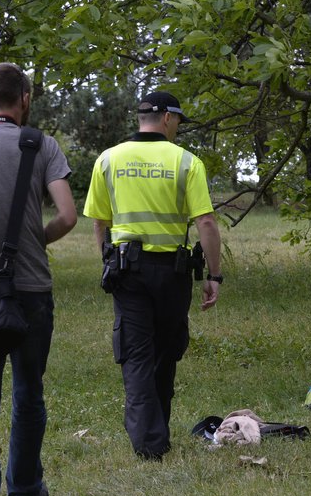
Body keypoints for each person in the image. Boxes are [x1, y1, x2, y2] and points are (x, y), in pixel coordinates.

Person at [0, 63, 77, 496]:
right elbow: (69, 216)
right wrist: (36, 240)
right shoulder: (41, 144)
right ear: (26, 100)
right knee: (28, 393)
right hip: (30, 290)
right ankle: (28, 490)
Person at [83, 91, 223, 461]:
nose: (178, 128)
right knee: (165, 352)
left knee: (137, 354)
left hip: (127, 272)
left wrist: (107, 261)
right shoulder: (185, 162)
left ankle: (150, 440)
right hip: (172, 274)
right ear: (167, 119)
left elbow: (100, 221)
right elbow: (205, 221)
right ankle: (154, 438)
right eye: (178, 121)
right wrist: (215, 275)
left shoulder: (108, 160)